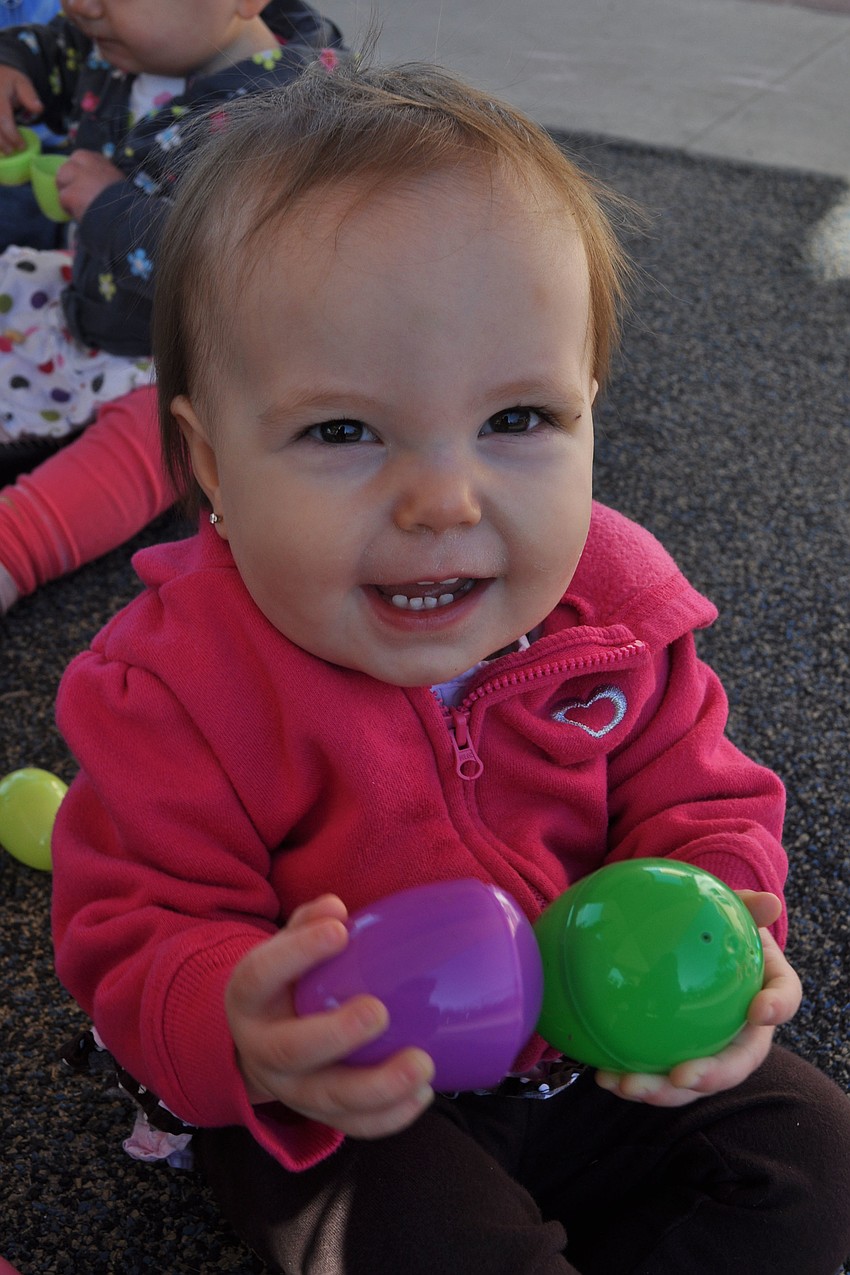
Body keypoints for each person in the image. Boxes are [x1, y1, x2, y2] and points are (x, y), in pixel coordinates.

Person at [51, 61, 850, 1275]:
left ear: (589, 407)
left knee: (819, 1165)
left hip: (592, 1052)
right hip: (350, 1088)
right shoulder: (170, 686)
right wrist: (246, 1023)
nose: (443, 500)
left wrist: (721, 924)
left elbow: (701, 801)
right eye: (341, 431)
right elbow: (135, 924)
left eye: (518, 420)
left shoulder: (619, 607)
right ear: (209, 464)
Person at [0, 0, 344, 614]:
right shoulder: (117, 45)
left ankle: (14, 544)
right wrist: (11, 63)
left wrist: (112, 208)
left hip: (197, 358)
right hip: (89, 304)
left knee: (184, 440)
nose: (80, 5)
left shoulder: (293, 113)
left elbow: (243, 275)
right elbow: (53, 48)